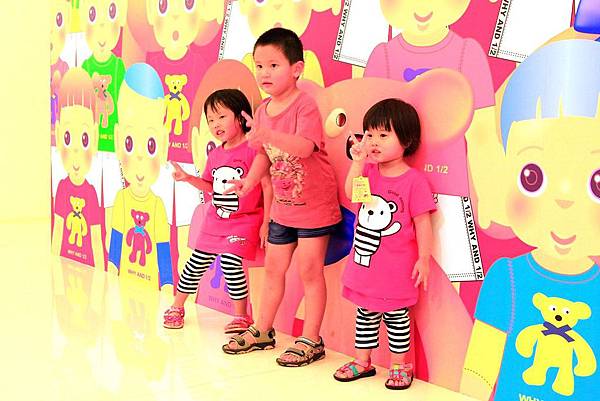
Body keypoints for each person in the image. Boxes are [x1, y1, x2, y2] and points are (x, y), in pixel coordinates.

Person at [221, 27, 341, 367]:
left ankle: (311, 339)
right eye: (259, 66)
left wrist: (267, 134)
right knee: (274, 269)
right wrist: (248, 182)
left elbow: (304, 147)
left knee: (309, 271)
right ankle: (262, 330)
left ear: (296, 69)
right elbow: (264, 154)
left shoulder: (305, 106)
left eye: (273, 65)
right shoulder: (262, 111)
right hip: (283, 210)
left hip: (314, 207)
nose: (264, 73)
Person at [333, 98, 435, 389]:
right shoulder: (367, 172)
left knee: (397, 320)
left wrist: (424, 258)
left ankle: (400, 366)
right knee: (364, 315)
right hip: (365, 267)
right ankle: (362, 361)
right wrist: (357, 162)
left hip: (396, 271)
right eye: (369, 134)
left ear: (407, 139)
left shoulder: (414, 181)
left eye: (383, 134)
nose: (374, 141)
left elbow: (423, 223)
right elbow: (352, 194)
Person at [163, 88, 272, 334]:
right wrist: (188, 178)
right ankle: (177, 306)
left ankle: (241, 316)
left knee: (231, 262)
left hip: (244, 221)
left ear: (241, 117)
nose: (215, 124)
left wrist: (267, 222)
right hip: (215, 220)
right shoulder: (215, 153)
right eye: (210, 119)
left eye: (222, 117)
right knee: (195, 263)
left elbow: (267, 186)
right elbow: (210, 187)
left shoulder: (255, 149)